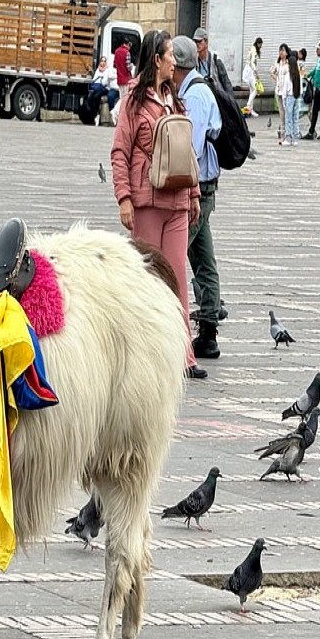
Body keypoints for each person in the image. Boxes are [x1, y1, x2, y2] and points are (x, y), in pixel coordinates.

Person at [110, 30, 205, 379]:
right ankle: (144, 355)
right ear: (156, 60)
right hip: (147, 200)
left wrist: (193, 195)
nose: (174, 61)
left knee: (177, 276)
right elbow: (120, 152)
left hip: (177, 200)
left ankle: (184, 356)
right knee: (148, 279)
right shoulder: (135, 101)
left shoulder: (174, 97)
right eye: (169, 54)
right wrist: (124, 198)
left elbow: (185, 151)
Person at [172, 36, 223, 359]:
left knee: (176, 256)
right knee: (203, 258)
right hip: (202, 187)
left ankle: (198, 330)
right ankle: (208, 331)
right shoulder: (193, 90)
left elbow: (193, 146)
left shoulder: (197, 95)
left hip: (199, 187)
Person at [303, 42, 320, 140]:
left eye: (318, 49)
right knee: (315, 110)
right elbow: (316, 70)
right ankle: (311, 131)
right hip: (317, 87)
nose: (316, 51)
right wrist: (309, 75)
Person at [192, 27, 233, 94]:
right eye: (195, 41)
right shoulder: (194, 62)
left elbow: (226, 82)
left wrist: (231, 101)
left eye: (199, 41)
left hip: (216, 97)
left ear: (206, 42)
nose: (197, 44)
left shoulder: (215, 60)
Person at [281, 50, 302, 146]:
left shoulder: (288, 75)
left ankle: (288, 138)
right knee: (295, 118)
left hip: (289, 97)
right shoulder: (298, 76)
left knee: (288, 118)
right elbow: (300, 89)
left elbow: (284, 90)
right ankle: (296, 138)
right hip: (297, 97)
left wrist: (284, 100)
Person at [270, 43, 290, 134]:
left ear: (287, 52)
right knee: (281, 112)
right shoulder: (277, 63)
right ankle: (283, 130)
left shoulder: (289, 63)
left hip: (287, 91)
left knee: (287, 111)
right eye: (280, 50)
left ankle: (288, 130)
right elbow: (271, 71)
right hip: (279, 90)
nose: (281, 52)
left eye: (283, 50)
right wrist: (276, 77)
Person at [243, 37, 262, 116]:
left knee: (252, 90)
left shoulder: (252, 48)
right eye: (260, 44)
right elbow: (252, 62)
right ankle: (248, 105)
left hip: (249, 70)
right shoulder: (254, 50)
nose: (261, 46)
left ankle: (251, 109)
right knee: (255, 90)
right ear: (258, 43)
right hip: (250, 71)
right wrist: (255, 71)